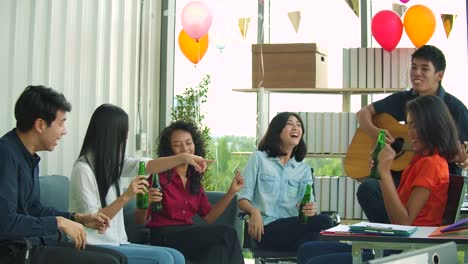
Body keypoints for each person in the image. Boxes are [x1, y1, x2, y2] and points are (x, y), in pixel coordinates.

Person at [298, 95, 460, 264]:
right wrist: (383, 171)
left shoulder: (432, 164)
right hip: (398, 244)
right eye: (408, 125)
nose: (410, 133)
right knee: (307, 250)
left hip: (410, 252)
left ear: (432, 126)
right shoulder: (420, 159)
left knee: (314, 260)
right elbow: (397, 218)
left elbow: (403, 222)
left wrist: (384, 172)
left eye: (415, 126)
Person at [69, 104, 211, 264]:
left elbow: (150, 165)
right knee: (164, 258)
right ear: (109, 134)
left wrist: (186, 158)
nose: (125, 138)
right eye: (123, 133)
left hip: (118, 242)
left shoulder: (112, 164)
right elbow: (94, 221)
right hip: (94, 245)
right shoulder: (83, 169)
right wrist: (128, 195)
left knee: (176, 256)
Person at [0, 86, 127, 264]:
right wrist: (57, 222)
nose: (64, 130)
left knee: (119, 258)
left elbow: (33, 208)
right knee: (109, 261)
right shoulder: (5, 154)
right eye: (61, 123)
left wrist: (76, 217)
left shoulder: (29, 158)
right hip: (14, 252)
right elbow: (5, 222)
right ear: (40, 125)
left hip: (33, 243)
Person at [357, 45, 468, 223]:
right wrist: (379, 137)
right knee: (368, 188)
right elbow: (363, 113)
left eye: (424, 69)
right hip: (410, 170)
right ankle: (386, 239)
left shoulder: (456, 109)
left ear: (439, 75)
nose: (417, 73)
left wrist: (462, 157)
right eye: (414, 67)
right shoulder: (404, 99)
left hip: (436, 181)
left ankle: (390, 243)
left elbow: (461, 152)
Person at [139, 120, 245, 264]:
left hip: (188, 235)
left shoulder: (193, 177)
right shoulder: (159, 176)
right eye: (177, 145)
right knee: (228, 233)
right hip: (164, 235)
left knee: (216, 250)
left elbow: (209, 217)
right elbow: (140, 221)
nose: (185, 149)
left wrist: (231, 192)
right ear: (169, 150)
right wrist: (146, 201)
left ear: (195, 145)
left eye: (189, 143)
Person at [237, 112, 333, 252]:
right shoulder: (258, 158)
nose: (296, 128)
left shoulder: (304, 169)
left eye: (299, 125)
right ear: (277, 130)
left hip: (294, 231)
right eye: (290, 124)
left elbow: (307, 208)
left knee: (312, 242)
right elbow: (242, 198)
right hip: (266, 229)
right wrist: (254, 211)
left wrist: (310, 209)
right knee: (325, 224)